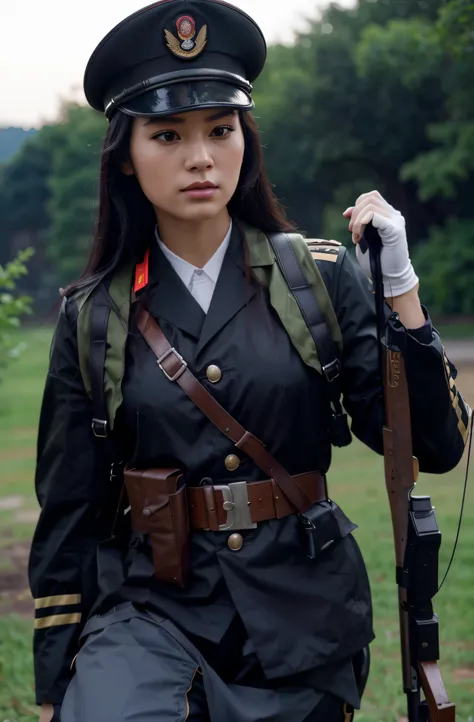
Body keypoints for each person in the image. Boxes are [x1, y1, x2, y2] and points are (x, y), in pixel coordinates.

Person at [29, 1, 471, 721]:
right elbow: (69, 512)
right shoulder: (95, 316)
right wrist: (54, 690)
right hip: (152, 611)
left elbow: (434, 446)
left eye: (220, 130)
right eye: (168, 134)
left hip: (304, 612)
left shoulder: (318, 281)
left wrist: (401, 291)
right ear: (127, 157)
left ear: (246, 140)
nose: (200, 157)